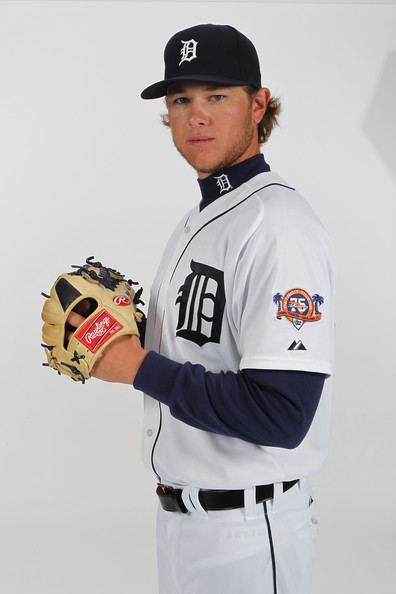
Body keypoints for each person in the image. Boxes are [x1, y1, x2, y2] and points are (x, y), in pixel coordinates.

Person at [67, 23, 335, 594]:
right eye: (181, 99)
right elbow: (208, 350)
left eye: (217, 96)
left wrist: (136, 366)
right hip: (185, 528)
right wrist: (119, 334)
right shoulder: (206, 216)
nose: (196, 116)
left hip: (247, 532)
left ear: (259, 104)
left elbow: (282, 415)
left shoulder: (277, 226)